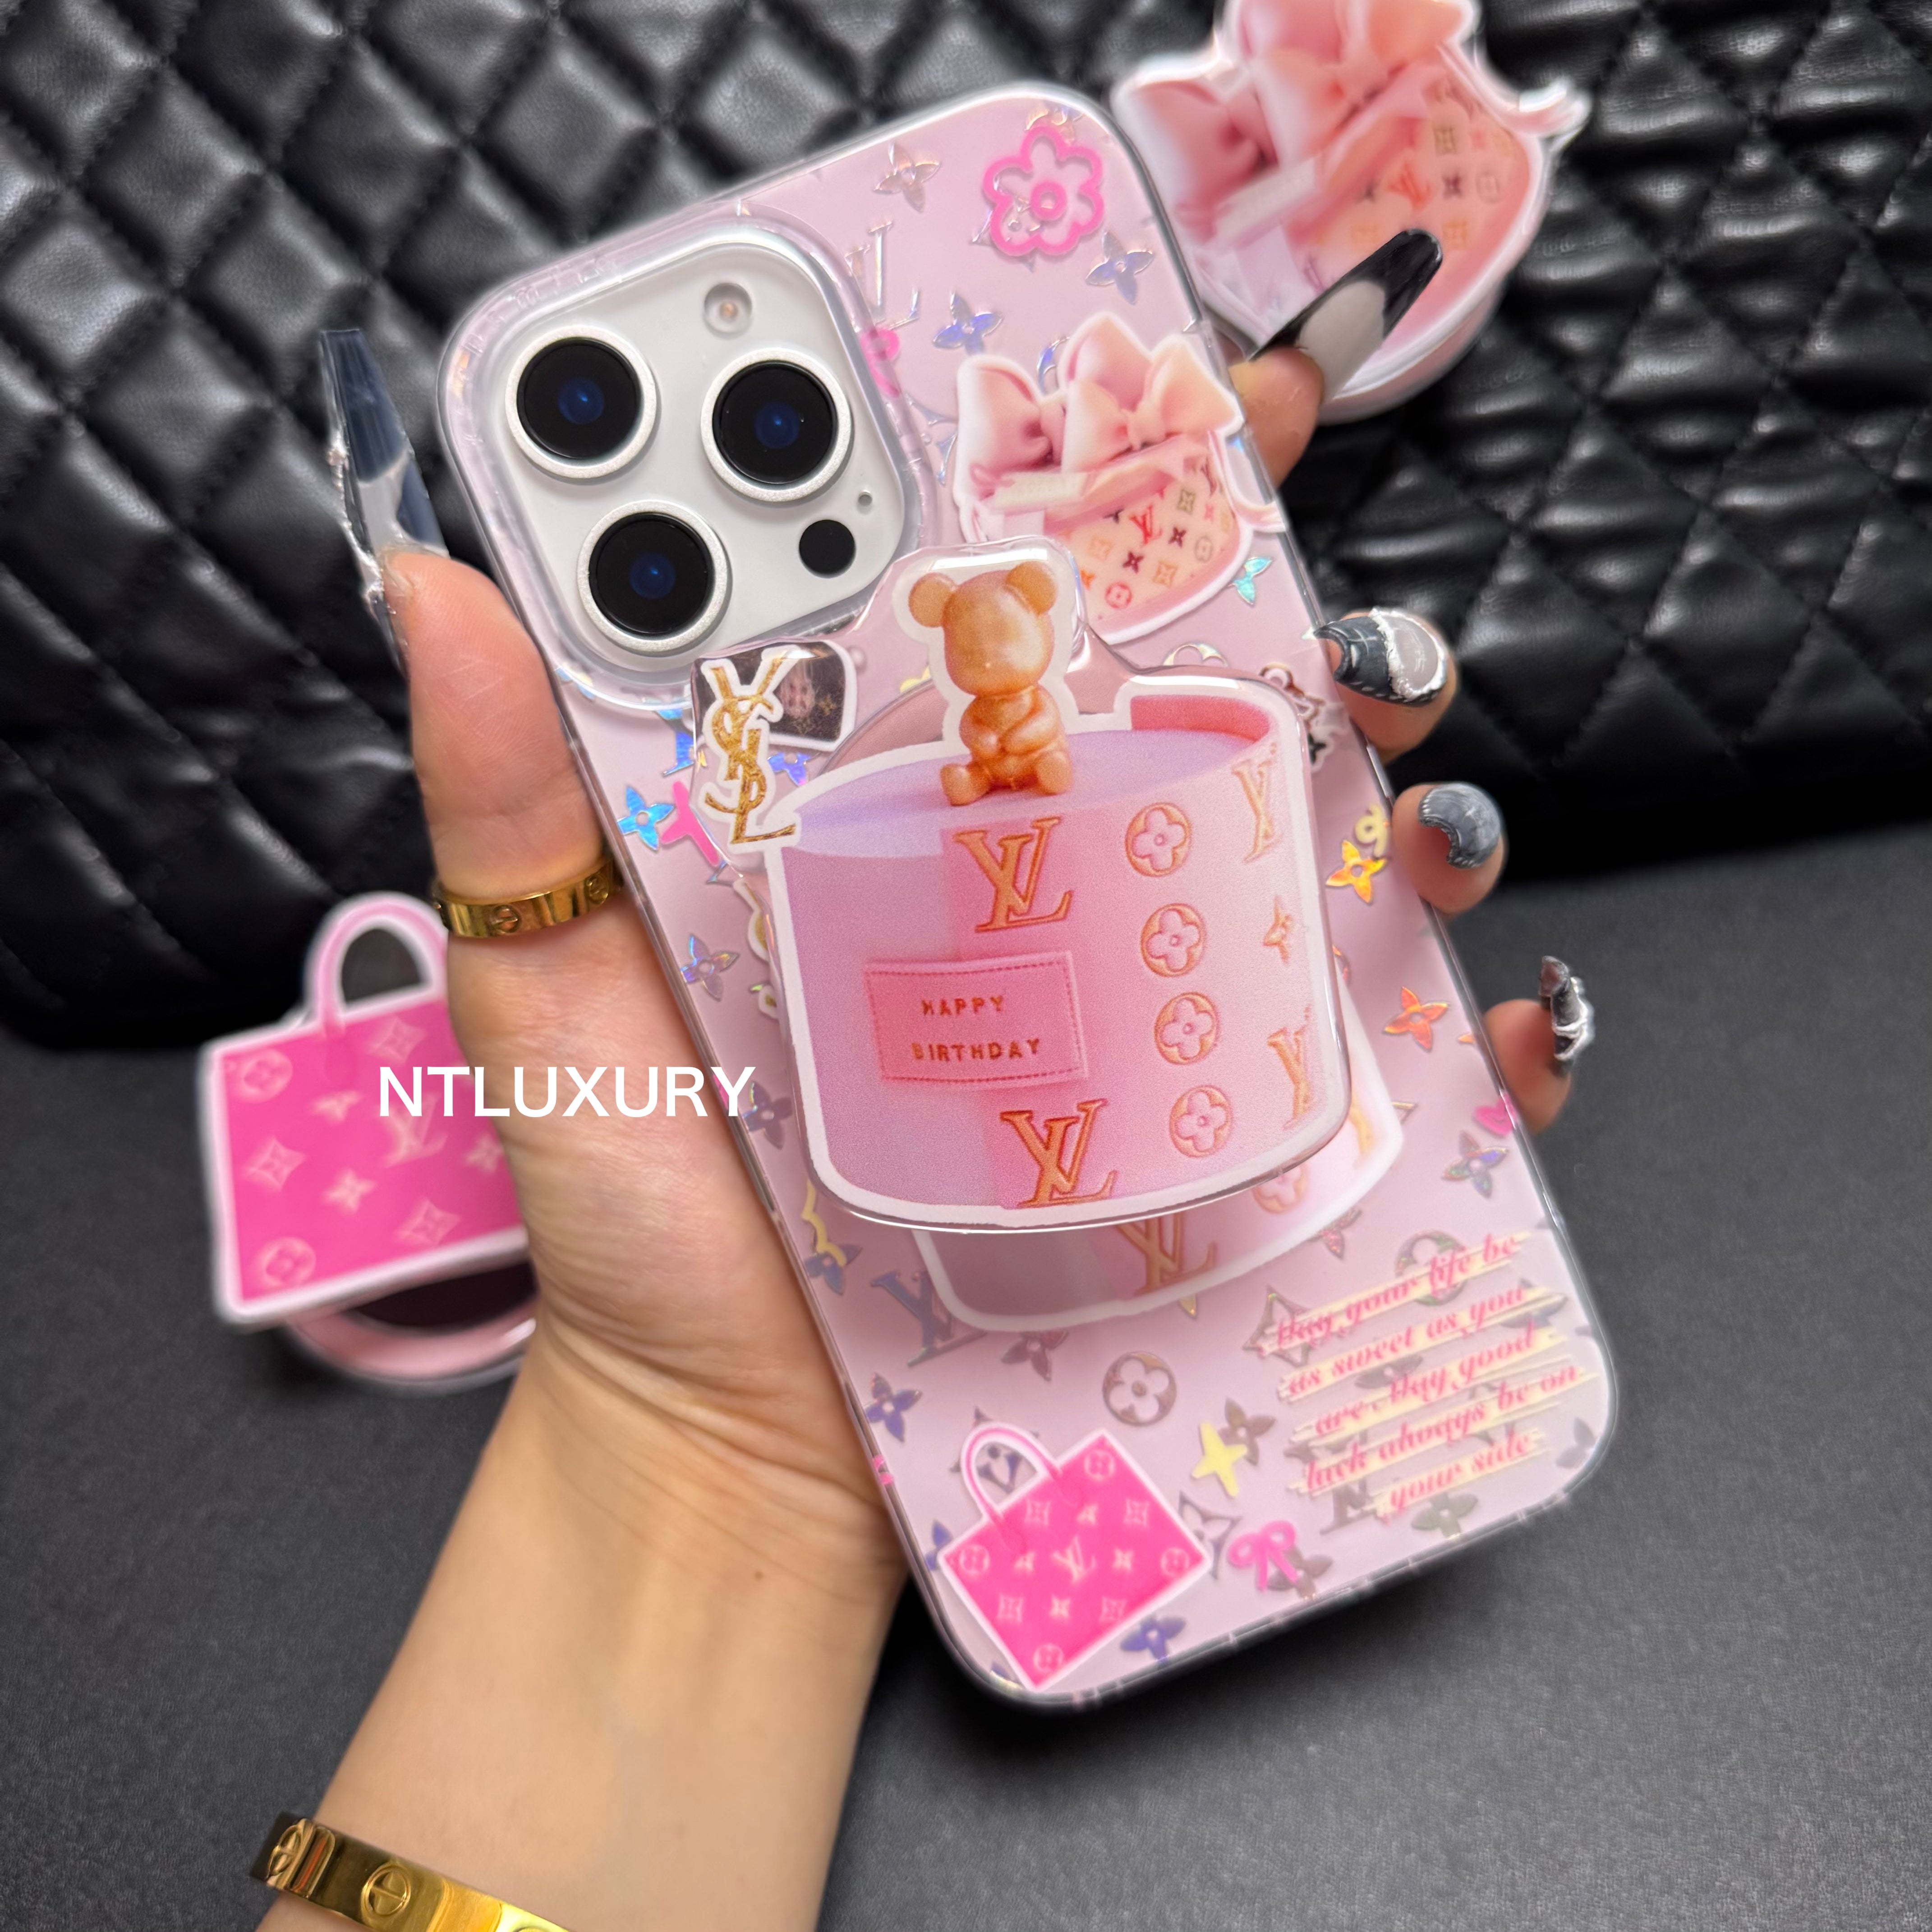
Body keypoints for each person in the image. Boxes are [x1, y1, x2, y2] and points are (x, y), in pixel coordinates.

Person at [262, 340, 1582, 1932]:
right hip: (934, 1182)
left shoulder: (1144, 746)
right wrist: (689, 1434)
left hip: (1251, 1117)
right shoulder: (859, 826)